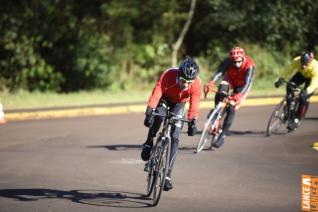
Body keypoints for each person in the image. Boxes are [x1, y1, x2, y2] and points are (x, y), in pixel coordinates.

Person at [141, 57, 202, 191]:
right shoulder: (169, 74)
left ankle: (167, 175)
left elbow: (195, 104)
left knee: (174, 137)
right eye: (183, 81)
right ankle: (149, 142)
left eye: (189, 83)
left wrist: (193, 122)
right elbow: (156, 93)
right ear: (178, 75)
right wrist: (149, 112)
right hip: (165, 98)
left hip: (179, 103)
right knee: (159, 117)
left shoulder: (197, 83)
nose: (185, 85)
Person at [204, 47, 255, 148]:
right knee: (221, 89)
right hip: (230, 80)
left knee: (231, 106)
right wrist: (211, 82)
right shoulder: (228, 62)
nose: (236, 64)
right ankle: (216, 110)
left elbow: (247, 82)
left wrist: (239, 95)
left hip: (242, 86)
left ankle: (223, 135)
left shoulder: (250, 65)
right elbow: (219, 73)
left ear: (243, 58)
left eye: (239, 61)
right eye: (234, 62)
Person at [283, 51, 318, 131]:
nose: (304, 66)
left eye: (306, 64)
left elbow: (314, 83)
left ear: (310, 61)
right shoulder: (297, 60)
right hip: (301, 75)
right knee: (289, 86)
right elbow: (288, 70)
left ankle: (297, 119)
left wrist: (307, 91)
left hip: (311, 79)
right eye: (302, 64)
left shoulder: (316, 67)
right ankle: (289, 109)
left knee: (304, 98)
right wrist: (281, 78)